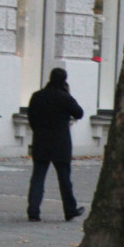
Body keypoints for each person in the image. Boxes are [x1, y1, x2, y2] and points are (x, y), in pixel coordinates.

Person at [26, 67, 85, 222]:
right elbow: (79, 113)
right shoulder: (64, 97)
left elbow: (31, 118)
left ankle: (33, 210)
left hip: (41, 141)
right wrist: (68, 94)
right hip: (61, 143)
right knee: (64, 178)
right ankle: (69, 210)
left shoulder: (37, 96)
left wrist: (38, 131)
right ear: (64, 80)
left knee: (38, 177)